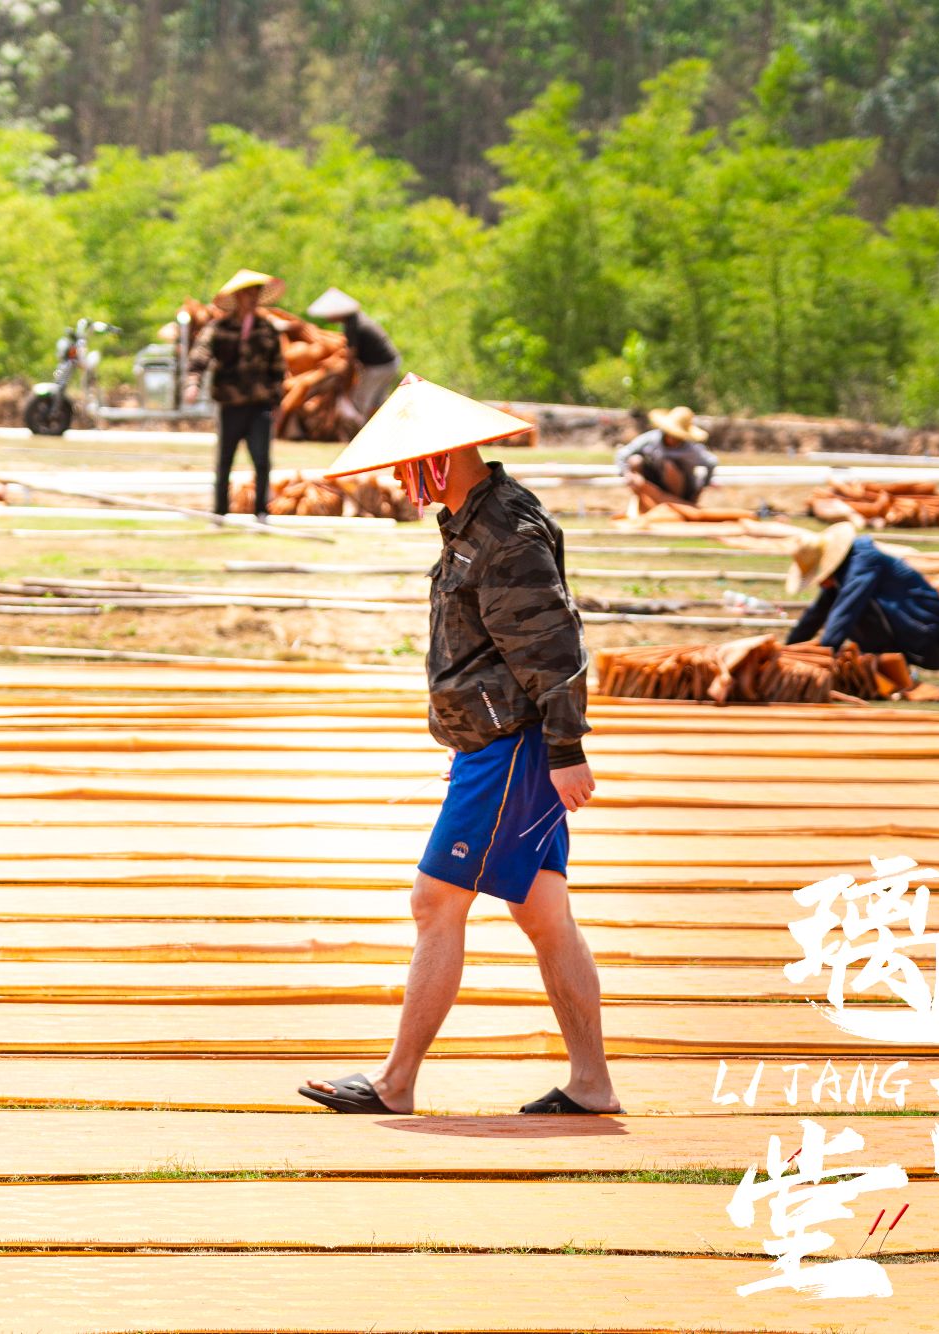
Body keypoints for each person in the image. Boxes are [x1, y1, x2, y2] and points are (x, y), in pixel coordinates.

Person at [298, 376, 622, 1117]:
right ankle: (593, 1083)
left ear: (440, 458)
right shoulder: (470, 523)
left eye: (407, 463)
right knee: (545, 916)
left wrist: (567, 749)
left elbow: (553, 646)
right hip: (498, 746)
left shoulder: (504, 533)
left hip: (512, 750)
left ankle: (395, 1083)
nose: (396, 478)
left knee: (435, 900)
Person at [184, 269, 286, 519]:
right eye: (248, 294)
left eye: (256, 294)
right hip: (230, 404)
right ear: (238, 297)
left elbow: (278, 368)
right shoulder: (219, 328)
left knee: (262, 460)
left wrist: (277, 401)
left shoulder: (267, 329)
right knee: (224, 459)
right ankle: (220, 511)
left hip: (259, 404)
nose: (252, 299)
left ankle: (261, 511)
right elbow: (199, 358)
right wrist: (192, 383)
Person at [787, 523, 939, 670]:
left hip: (930, 640)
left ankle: (890, 666)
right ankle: (886, 665)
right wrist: (786, 651)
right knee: (839, 605)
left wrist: (823, 657)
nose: (819, 583)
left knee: (857, 611)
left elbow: (845, 612)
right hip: (911, 632)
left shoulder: (863, 563)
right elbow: (816, 613)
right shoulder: (845, 569)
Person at [306, 287, 401, 430]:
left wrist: (345, 378)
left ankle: (361, 434)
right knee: (378, 401)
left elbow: (351, 356)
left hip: (379, 367)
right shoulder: (355, 320)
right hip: (390, 363)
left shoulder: (354, 325)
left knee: (361, 402)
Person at [616, 405, 717, 510]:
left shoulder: (691, 448)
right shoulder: (651, 439)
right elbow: (622, 454)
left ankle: (677, 504)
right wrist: (627, 474)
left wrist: (702, 487)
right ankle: (645, 504)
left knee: (669, 466)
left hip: (683, 489)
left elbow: (711, 462)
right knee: (634, 461)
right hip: (654, 484)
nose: (673, 438)